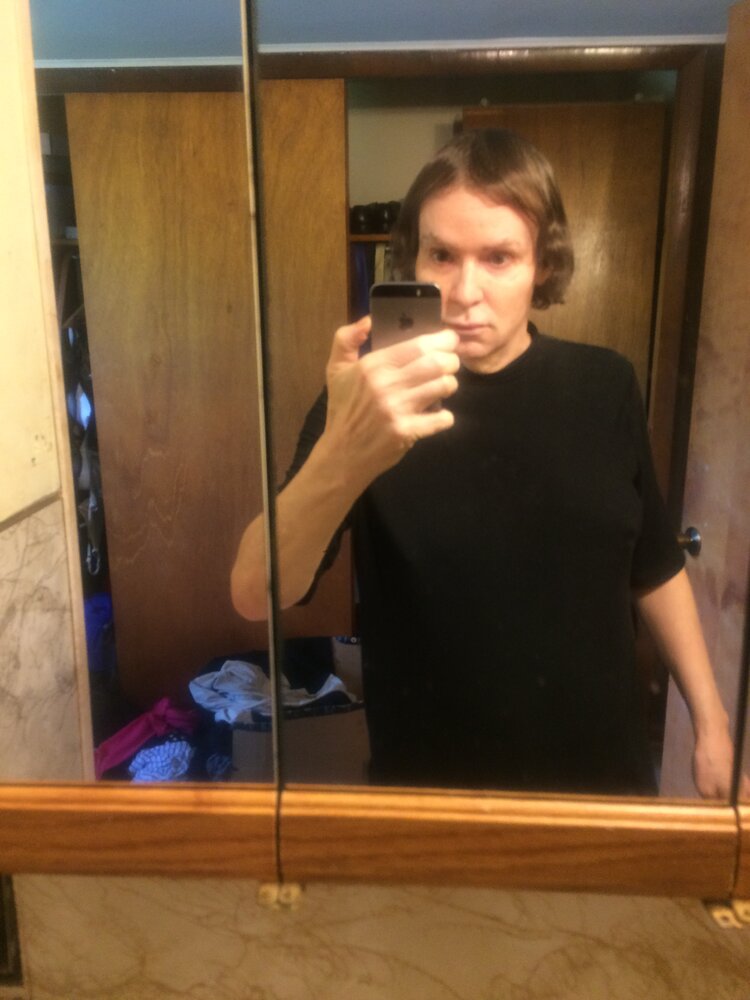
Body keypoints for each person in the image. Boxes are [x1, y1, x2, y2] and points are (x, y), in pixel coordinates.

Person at [231, 128, 734, 797]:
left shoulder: (604, 385)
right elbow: (255, 592)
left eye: (499, 257)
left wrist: (712, 720)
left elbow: (653, 566)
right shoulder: (369, 399)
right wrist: (343, 452)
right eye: (442, 254)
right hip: (435, 791)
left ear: (542, 263)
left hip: (600, 780)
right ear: (412, 257)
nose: (465, 291)